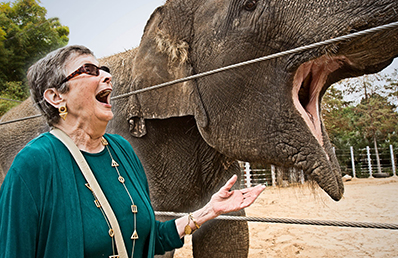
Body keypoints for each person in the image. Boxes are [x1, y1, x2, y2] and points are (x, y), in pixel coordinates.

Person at [0, 45, 265, 258]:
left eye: (104, 69)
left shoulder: (122, 151)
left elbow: (152, 239)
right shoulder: (32, 165)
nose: (107, 75)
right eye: (89, 69)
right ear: (56, 97)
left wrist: (209, 210)